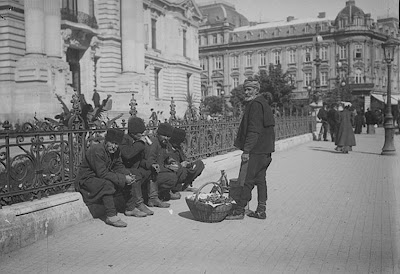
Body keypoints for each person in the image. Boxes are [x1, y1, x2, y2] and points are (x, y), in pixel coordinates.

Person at [225, 76, 275, 220]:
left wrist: (246, 151)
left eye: (249, 89)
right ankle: (261, 210)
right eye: (245, 89)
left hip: (256, 150)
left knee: (247, 180)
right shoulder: (263, 103)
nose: (246, 92)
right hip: (265, 150)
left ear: (256, 90)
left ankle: (239, 210)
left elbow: (254, 130)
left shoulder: (255, 105)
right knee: (260, 180)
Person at [75, 128, 135, 228]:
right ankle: (111, 216)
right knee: (108, 184)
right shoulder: (97, 150)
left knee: (127, 179)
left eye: (116, 144)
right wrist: (123, 178)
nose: (114, 146)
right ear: (106, 141)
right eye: (112, 143)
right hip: (87, 180)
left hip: (99, 177)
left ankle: (130, 208)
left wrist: (128, 175)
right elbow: (102, 173)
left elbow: (118, 166)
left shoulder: (116, 151)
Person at [120, 117, 154, 217]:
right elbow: (128, 154)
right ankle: (139, 204)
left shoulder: (136, 139)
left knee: (149, 171)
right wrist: (141, 143)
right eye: (140, 132)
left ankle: (152, 198)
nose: (142, 135)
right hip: (122, 168)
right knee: (135, 174)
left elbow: (141, 158)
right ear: (134, 132)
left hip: (134, 168)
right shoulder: (124, 139)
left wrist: (150, 165)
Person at [143, 122, 179, 205]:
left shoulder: (165, 143)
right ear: (158, 134)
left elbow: (167, 156)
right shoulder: (154, 143)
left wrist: (171, 162)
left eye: (168, 136)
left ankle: (165, 193)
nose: (166, 138)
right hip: (150, 173)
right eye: (164, 135)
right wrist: (154, 164)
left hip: (159, 169)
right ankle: (153, 197)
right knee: (170, 177)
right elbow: (149, 159)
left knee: (175, 171)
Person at [168, 127, 205, 191]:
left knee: (199, 164)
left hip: (182, 169)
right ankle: (176, 187)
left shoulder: (178, 147)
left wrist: (188, 162)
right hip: (175, 170)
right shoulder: (168, 147)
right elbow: (169, 164)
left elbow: (184, 158)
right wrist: (180, 165)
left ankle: (185, 185)